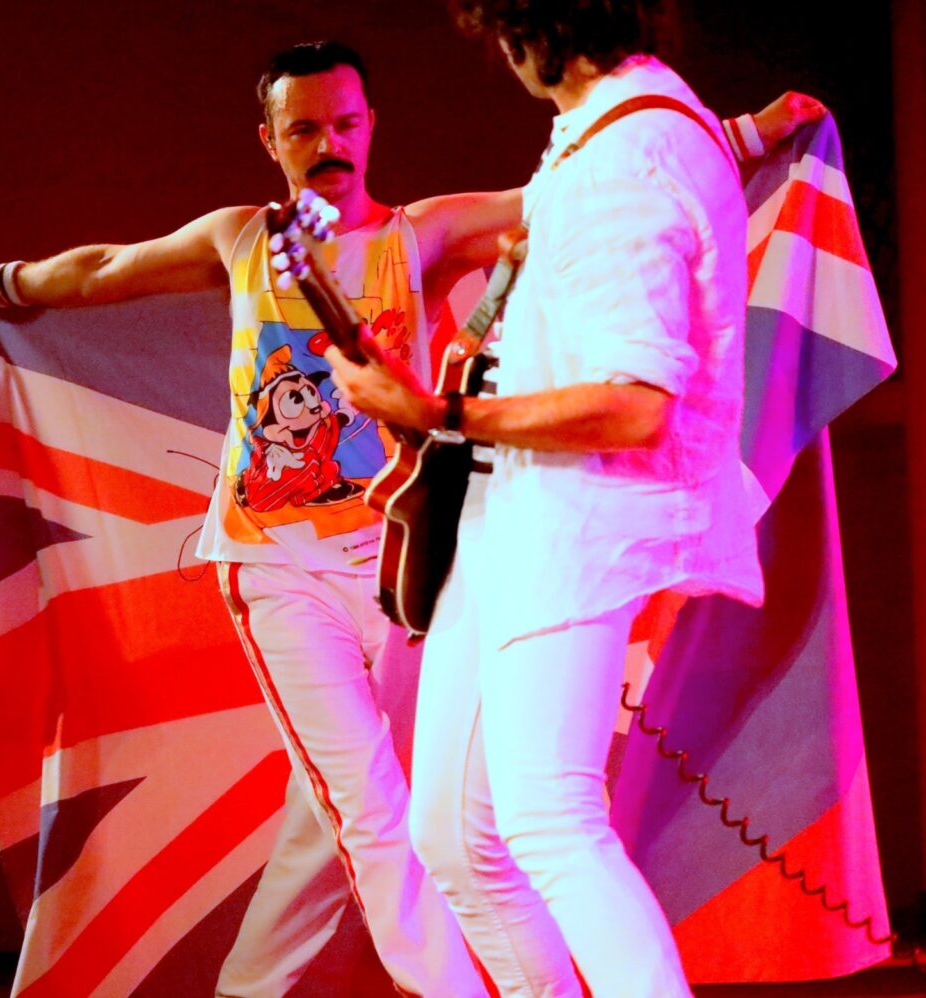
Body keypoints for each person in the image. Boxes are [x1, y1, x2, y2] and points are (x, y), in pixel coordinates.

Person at [0, 37, 821, 998]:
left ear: (370, 126)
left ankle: (252, 984)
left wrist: (750, 133)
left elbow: (579, 193)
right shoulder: (240, 239)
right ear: (269, 139)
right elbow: (107, 268)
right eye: (303, 130)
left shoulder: (422, 234)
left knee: (393, 811)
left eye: (344, 123)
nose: (328, 144)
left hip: (406, 563)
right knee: (370, 811)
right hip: (276, 567)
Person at [324, 3, 797, 995]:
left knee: (549, 819)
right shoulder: (610, 130)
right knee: (453, 835)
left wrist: (435, 409)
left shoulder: (626, 158)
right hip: (516, 512)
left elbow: (634, 405)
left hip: (573, 523)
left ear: (522, 29)